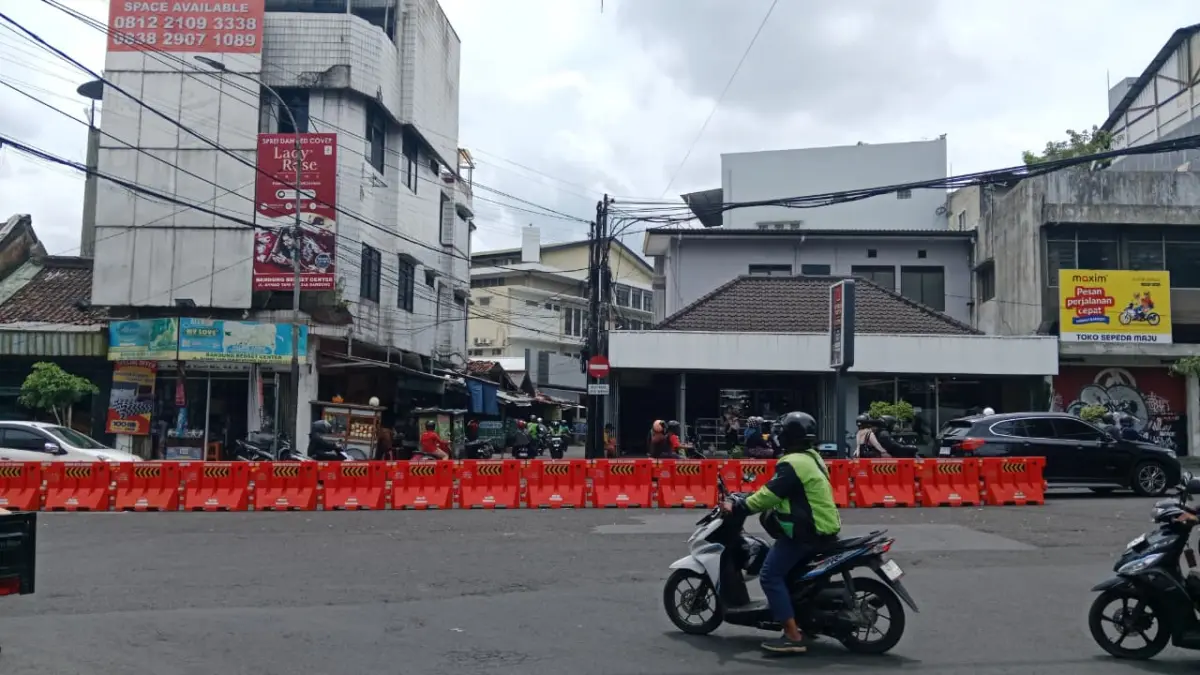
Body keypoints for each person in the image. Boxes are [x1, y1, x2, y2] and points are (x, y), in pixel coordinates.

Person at [721, 411, 841, 654]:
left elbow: (770, 495)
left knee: (769, 575)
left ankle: (792, 636)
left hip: (805, 533)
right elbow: (782, 489)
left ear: (788, 436)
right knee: (794, 576)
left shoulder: (792, 463)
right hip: (825, 528)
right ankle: (804, 621)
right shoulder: (813, 457)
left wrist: (742, 506)